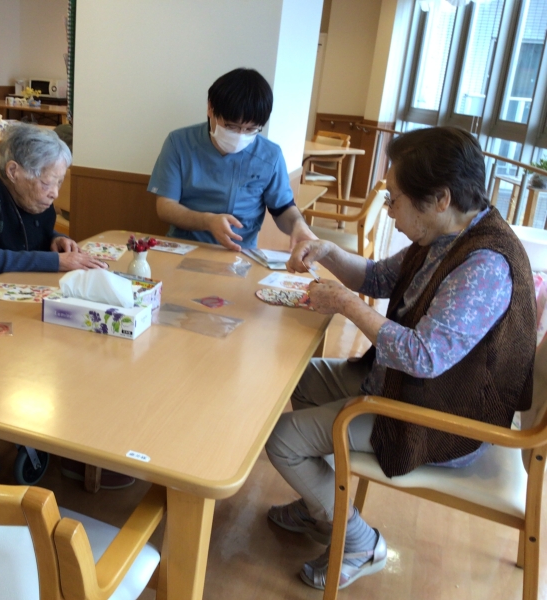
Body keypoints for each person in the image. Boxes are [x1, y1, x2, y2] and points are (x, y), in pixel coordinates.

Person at [264, 126, 535, 589]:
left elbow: (423, 357)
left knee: (282, 441)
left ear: (440, 199)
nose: (388, 210)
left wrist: (346, 304)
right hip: (401, 385)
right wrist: (328, 252)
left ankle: (360, 542)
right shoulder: (448, 235)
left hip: (440, 418)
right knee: (295, 379)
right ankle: (322, 506)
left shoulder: (485, 266)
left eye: (394, 199)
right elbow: (377, 277)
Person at [148, 67, 316, 251]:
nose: (240, 135)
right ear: (210, 108)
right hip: (184, 246)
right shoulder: (179, 143)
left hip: (240, 252)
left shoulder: (270, 155)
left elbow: (282, 208)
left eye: (250, 129)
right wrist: (207, 221)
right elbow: (165, 207)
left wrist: (298, 225)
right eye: (231, 126)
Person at [0, 124, 106, 286]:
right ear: (13, 171)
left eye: (59, 182)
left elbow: (25, 232)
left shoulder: (35, 198)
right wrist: (54, 261)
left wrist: (55, 238)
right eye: (46, 183)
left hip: (21, 287)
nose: (55, 193)